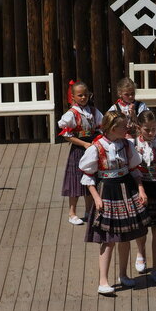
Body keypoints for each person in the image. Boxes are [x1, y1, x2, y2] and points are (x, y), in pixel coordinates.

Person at [79, 111, 150, 295]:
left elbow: (134, 170)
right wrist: (96, 197)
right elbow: (87, 177)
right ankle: (103, 280)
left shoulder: (127, 145)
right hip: (107, 192)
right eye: (123, 125)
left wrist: (141, 189)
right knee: (108, 239)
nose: (127, 127)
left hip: (126, 190)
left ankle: (124, 275)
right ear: (112, 128)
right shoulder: (96, 148)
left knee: (125, 237)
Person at [58, 80, 102, 225]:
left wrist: (97, 141)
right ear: (73, 97)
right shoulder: (72, 114)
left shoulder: (94, 111)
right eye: (80, 95)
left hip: (92, 148)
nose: (83, 98)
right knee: (75, 181)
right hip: (78, 150)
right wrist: (84, 143)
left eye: (85, 95)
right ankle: (72, 213)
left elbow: (101, 127)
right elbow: (66, 135)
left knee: (91, 179)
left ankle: (89, 211)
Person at [129, 110, 156, 283]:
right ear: (139, 128)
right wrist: (140, 189)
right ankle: (140, 252)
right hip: (140, 186)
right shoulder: (133, 143)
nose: (151, 133)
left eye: (154, 129)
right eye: (147, 129)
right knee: (142, 226)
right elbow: (133, 169)